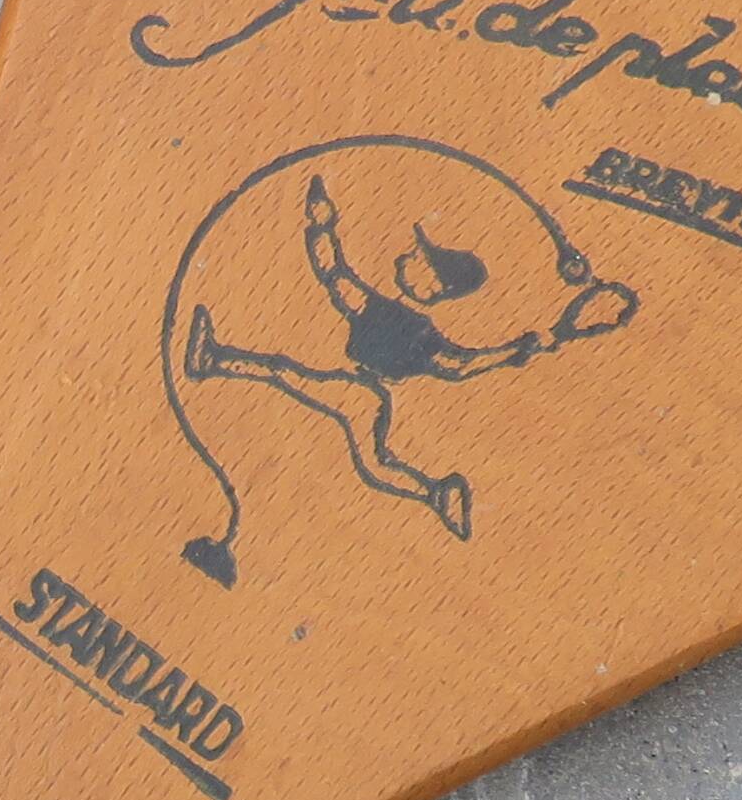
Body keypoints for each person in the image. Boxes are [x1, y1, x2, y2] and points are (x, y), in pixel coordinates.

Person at [182, 162, 632, 543]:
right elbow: (334, 274)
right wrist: (322, 223)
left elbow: (458, 365)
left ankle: (215, 360)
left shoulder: (421, 335)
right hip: (357, 379)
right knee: (307, 391)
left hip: (366, 390)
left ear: (435, 285)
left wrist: (522, 347)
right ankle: (433, 492)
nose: (406, 258)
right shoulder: (384, 309)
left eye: (419, 259)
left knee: (314, 399)